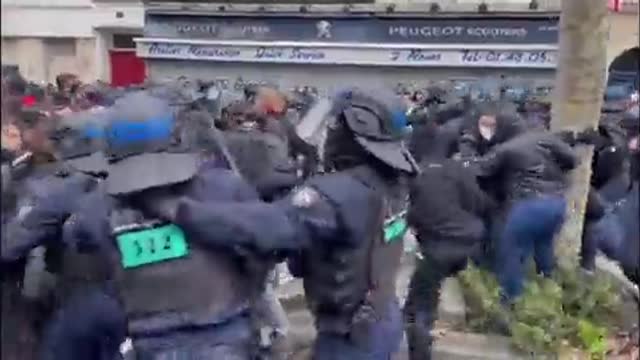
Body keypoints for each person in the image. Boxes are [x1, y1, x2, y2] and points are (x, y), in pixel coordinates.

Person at [81, 91, 301, 359]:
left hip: (149, 344)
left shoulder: (99, 207)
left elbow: (99, 273)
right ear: (175, 135)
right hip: (225, 338)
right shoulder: (222, 188)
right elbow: (276, 238)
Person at [404, 158, 495, 360]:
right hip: (470, 241)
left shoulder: (420, 181)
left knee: (419, 303)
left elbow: (414, 217)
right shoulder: (460, 173)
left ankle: (419, 348)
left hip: (438, 249)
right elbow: (481, 203)